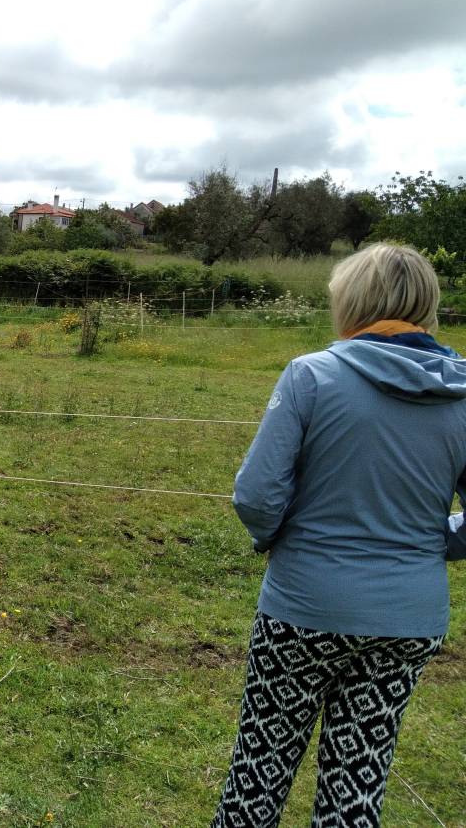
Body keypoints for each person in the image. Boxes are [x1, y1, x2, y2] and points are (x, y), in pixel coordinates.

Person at [211, 243, 466, 827]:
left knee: (259, 772)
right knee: (357, 784)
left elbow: (256, 494)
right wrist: (434, 542)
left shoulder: (312, 376)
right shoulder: (463, 393)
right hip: (408, 619)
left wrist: (279, 537)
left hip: (304, 609)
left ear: (350, 302)